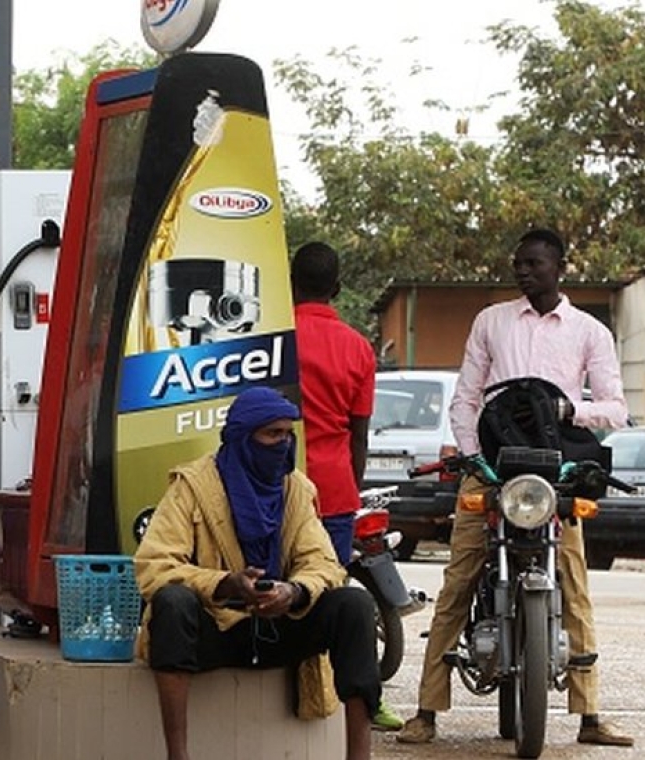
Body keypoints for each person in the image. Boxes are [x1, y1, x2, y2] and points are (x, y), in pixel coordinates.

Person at [398, 228, 634, 747]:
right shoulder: (491, 321)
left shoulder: (589, 331)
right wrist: (472, 457)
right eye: (518, 264)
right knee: (457, 584)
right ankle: (426, 711)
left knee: (573, 584)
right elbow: (465, 398)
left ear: (560, 267)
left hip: (554, 476)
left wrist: (571, 410)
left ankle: (590, 716)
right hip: (491, 471)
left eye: (534, 264)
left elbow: (617, 408)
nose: (523, 272)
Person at [134, 386, 381, 760]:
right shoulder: (193, 486)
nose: (282, 444)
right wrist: (224, 584)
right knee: (172, 601)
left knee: (354, 605)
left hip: (278, 626)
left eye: (287, 433)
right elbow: (154, 566)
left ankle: (359, 756)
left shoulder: (295, 487)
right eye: (272, 434)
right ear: (243, 438)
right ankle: (177, 756)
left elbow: (325, 564)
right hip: (218, 626)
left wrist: (293, 592)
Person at [291, 241, 403, 732]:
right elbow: (358, 433)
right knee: (330, 596)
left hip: (274, 484)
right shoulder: (358, 347)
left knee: (279, 587)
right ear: (337, 289)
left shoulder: (273, 337)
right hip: (333, 490)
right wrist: (349, 492)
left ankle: (287, 686)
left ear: (290, 282)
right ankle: (356, 700)